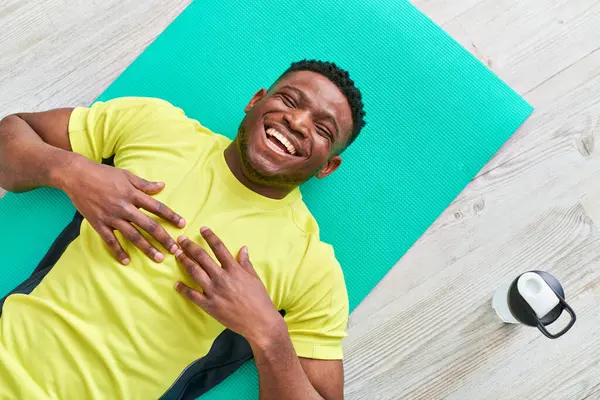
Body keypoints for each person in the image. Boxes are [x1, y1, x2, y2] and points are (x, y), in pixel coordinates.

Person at [0, 59, 366, 399]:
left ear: (327, 166)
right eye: (289, 100)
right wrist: (71, 172)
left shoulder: (313, 268)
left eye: (321, 128)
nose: (298, 123)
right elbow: (12, 134)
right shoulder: (156, 125)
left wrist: (268, 334)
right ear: (255, 101)